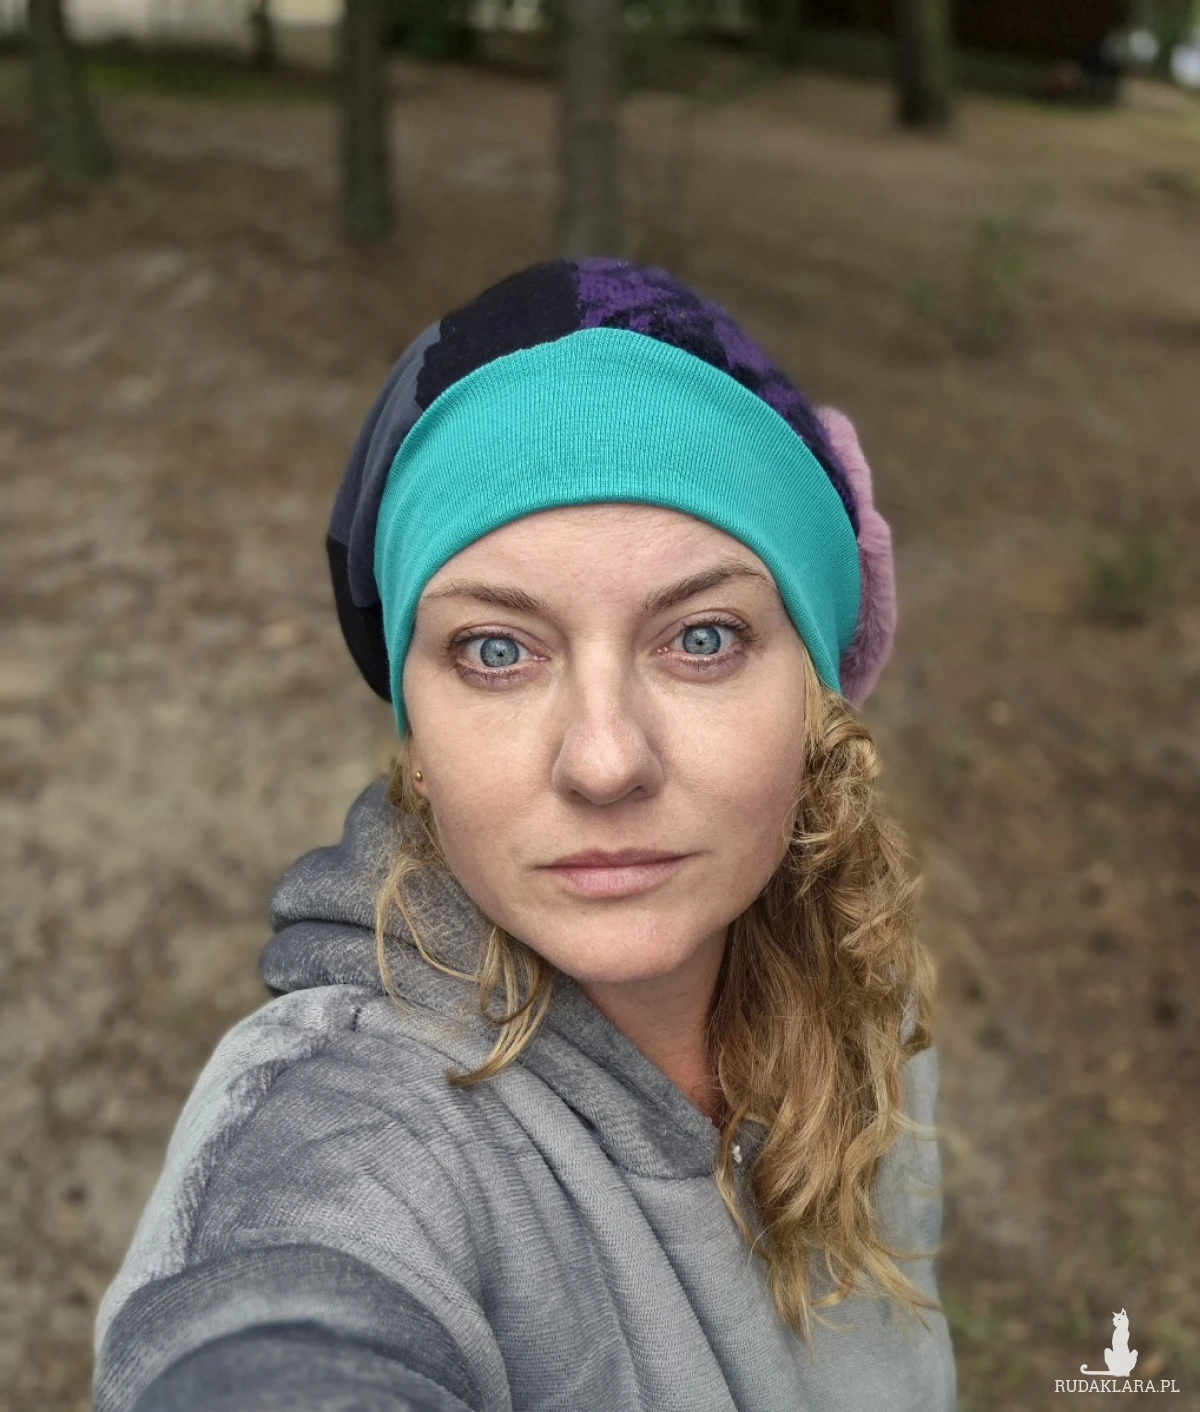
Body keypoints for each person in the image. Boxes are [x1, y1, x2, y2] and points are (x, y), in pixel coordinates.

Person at [93, 257, 956, 1411]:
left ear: (816, 700)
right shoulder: (342, 1132)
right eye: (497, 649)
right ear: (415, 736)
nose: (604, 759)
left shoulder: (864, 992)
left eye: (702, 637)